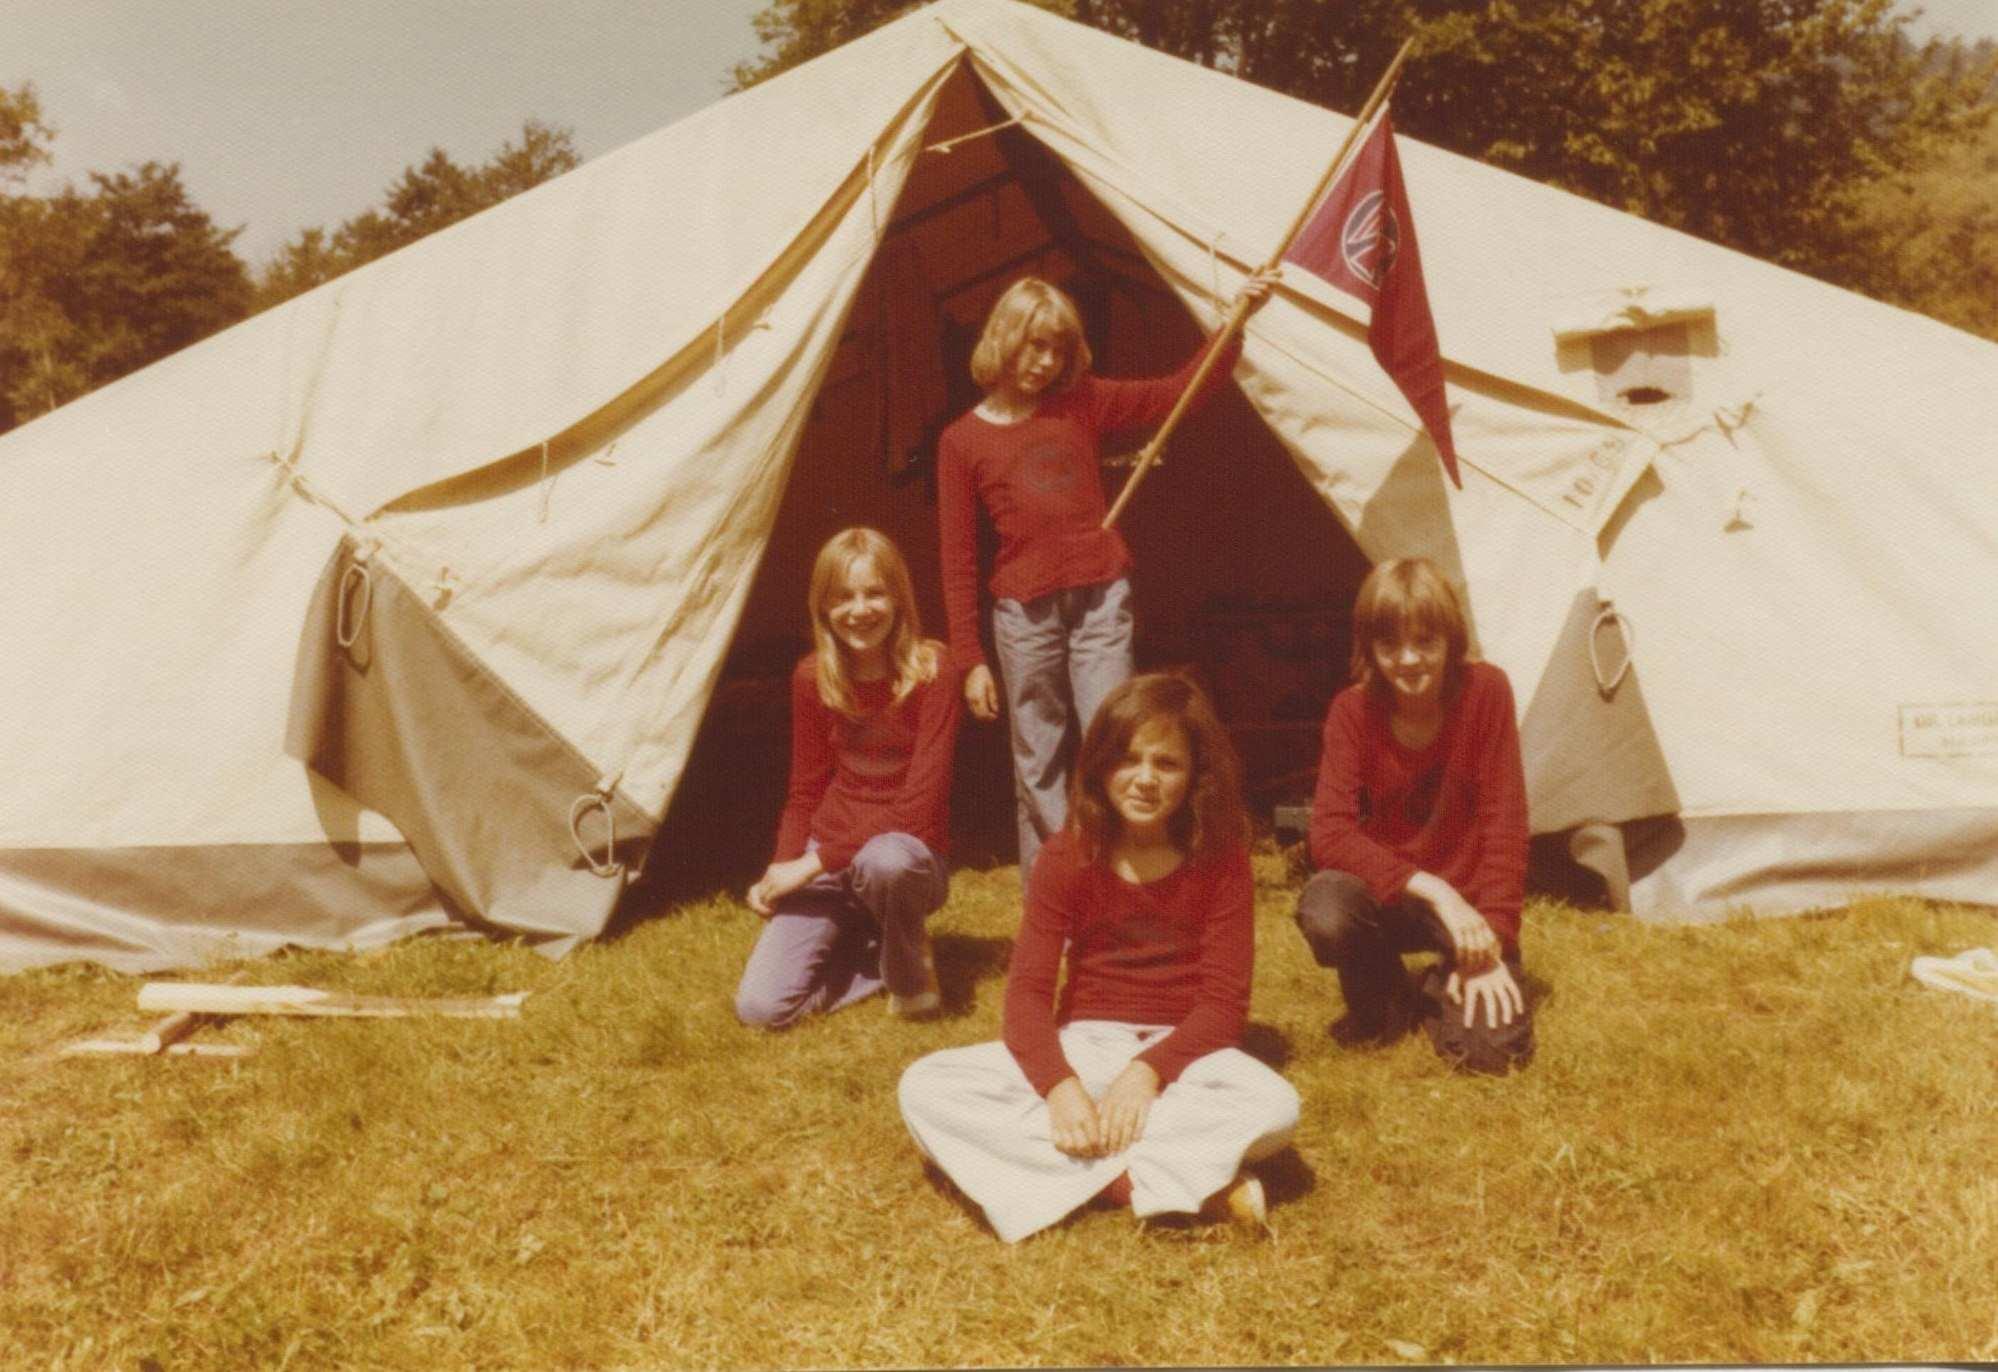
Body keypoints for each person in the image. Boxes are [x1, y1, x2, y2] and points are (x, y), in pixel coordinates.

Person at [899, 673, 1299, 1242]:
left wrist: (1148, 1072)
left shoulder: (1221, 859)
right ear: (1101, 765)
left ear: (1194, 778)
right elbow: (1028, 996)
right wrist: (1061, 1087)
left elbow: (1223, 1006)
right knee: (925, 1085)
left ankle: (1059, 1167)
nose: (1144, 779)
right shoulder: (1067, 856)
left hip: (1185, 1058)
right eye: (1128, 759)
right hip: (1086, 1042)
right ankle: (1156, 1185)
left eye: (1167, 764)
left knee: (1276, 1106)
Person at [937, 271, 1274, 877]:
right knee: (1037, 752)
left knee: (1112, 735)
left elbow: (1180, 391)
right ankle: (1054, 882)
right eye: (1032, 346)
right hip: (1023, 609)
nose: (1044, 362)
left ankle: (1113, 868)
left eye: (1057, 349)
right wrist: (970, 658)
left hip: (1099, 598)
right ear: (1001, 341)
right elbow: (956, 556)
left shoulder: (1082, 402)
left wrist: (1235, 322)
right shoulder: (962, 441)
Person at [1293, 557, 1535, 1074]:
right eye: (1389, 645)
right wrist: (1434, 889)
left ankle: (1436, 988)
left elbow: (1505, 823)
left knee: (1487, 1057)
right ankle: (1388, 993)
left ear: (1451, 640)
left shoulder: (1486, 693)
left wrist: (1492, 936)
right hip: (1398, 899)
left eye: (1425, 642)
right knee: (1327, 907)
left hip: (1471, 910)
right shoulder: (1352, 711)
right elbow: (1328, 833)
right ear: (1369, 648)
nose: (1408, 660)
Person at [734, 528, 964, 1028]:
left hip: (906, 858)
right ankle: (880, 956)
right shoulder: (812, 677)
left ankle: (910, 976)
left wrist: (811, 864)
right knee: (761, 1010)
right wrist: (781, 868)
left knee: (886, 861)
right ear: (823, 608)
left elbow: (917, 808)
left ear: (899, 597)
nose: (860, 611)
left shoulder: (933, 670)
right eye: (843, 597)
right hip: (829, 857)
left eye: (875, 593)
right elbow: (805, 790)